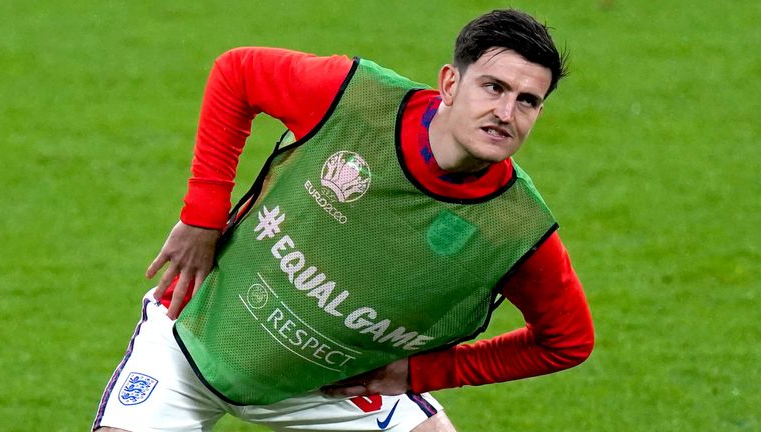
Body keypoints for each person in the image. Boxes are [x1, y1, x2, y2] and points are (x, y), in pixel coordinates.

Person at [93, 8, 594, 432]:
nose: (506, 112)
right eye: (493, 87)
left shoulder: (514, 231)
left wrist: (423, 372)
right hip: (196, 330)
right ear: (450, 83)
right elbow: (238, 72)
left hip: (333, 383)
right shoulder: (353, 99)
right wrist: (203, 219)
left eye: (527, 101)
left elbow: (568, 341)